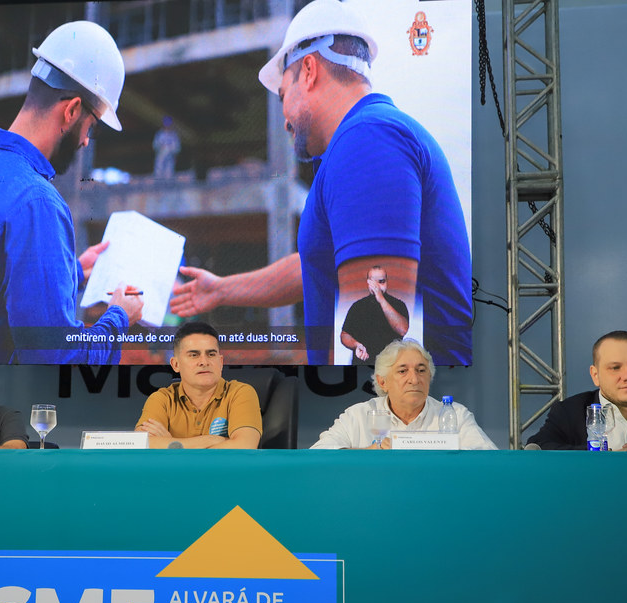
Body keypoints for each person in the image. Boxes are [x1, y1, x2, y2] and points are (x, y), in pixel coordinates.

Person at [169, 0, 471, 366]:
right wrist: (221, 289)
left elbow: (380, 342)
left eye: (283, 95)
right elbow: (314, 264)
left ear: (309, 71)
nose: (284, 120)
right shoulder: (361, 141)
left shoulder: (366, 140)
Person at [0, 20, 143, 364]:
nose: (86, 141)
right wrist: (119, 317)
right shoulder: (37, 202)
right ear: (72, 110)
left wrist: (72, 272)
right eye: (91, 126)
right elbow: (59, 360)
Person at [311, 339, 495, 449]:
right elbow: (319, 454)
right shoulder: (358, 416)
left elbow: (488, 460)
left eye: (421, 370)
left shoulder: (455, 414)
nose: (414, 379)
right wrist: (368, 452)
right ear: (382, 382)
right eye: (402, 371)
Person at [135, 322, 262, 449]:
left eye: (211, 354)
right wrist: (212, 440)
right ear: (175, 364)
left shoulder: (240, 393)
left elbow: (244, 446)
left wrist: (172, 445)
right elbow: (140, 444)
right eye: (194, 355)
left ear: (221, 362)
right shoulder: (162, 399)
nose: (204, 362)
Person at [340, 266, 409, 364]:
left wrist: (381, 299)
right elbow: (345, 334)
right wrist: (356, 345)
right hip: (363, 364)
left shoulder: (398, 305)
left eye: (381, 282)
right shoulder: (357, 306)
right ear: (368, 283)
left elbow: (402, 330)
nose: (377, 287)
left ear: (387, 282)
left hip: (391, 366)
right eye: (373, 282)